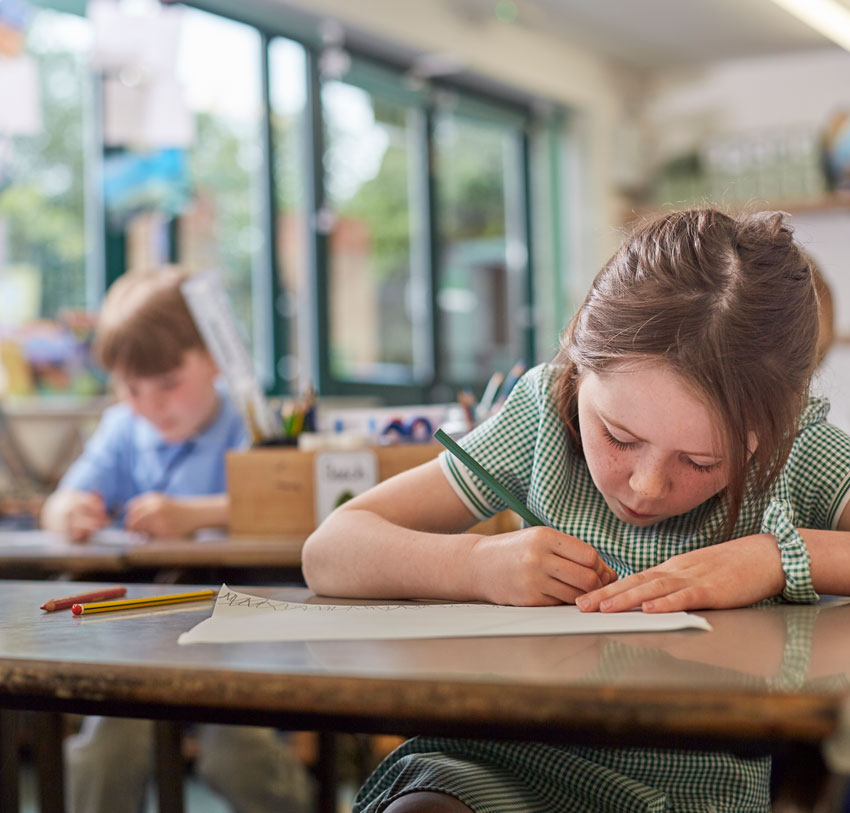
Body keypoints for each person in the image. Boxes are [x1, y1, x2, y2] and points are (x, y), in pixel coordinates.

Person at [302, 208, 850, 813]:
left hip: (684, 794)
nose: (644, 486)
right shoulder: (541, 411)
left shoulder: (796, 450)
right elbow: (330, 550)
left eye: (700, 462)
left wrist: (777, 556)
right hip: (493, 759)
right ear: (578, 360)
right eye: (617, 436)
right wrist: (477, 563)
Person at [42, 267, 312, 813]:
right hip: (141, 643)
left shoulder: (251, 423)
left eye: (167, 384)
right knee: (105, 752)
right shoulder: (123, 429)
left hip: (239, 637)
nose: (150, 404)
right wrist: (69, 511)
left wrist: (195, 514)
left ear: (213, 359)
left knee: (238, 754)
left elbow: (295, 506)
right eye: (130, 388)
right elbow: (57, 505)